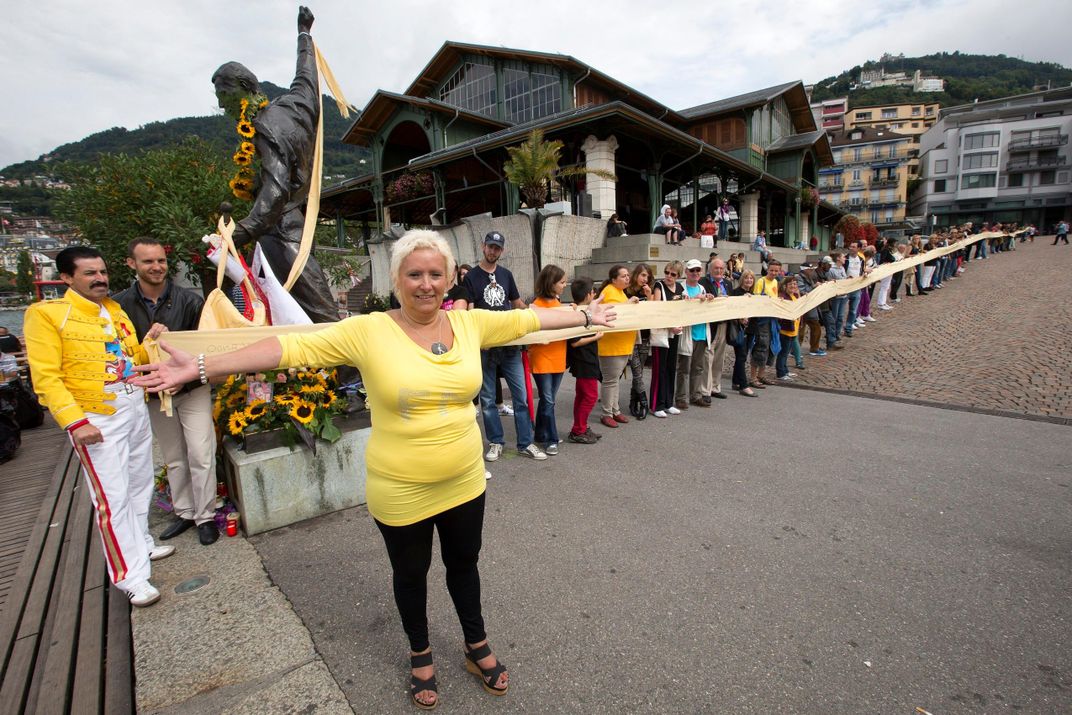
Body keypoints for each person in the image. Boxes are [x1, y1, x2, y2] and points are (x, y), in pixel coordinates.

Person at [134, 230, 616, 709]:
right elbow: (286, 348)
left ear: (449, 279)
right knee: (411, 574)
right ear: (396, 279)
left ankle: (476, 645)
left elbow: (527, 318)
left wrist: (584, 314)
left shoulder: (470, 325)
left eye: (434, 274)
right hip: (400, 487)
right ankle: (420, 655)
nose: (425, 284)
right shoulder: (368, 330)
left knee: (464, 567)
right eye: (414, 274)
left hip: (465, 481)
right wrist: (201, 367)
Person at [24, 246, 174, 608]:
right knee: (112, 496)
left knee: (139, 482)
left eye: (102, 271)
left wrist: (149, 342)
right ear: (67, 278)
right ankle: (130, 576)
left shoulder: (115, 310)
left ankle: (141, 544)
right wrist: (74, 422)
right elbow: (45, 377)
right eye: (90, 273)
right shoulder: (47, 315)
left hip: (133, 407)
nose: (100, 279)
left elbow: (128, 359)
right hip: (96, 416)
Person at [210, 7, 338, 323]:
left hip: (282, 230)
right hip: (284, 228)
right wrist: (304, 34)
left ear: (244, 87)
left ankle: (349, 372)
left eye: (223, 92)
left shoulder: (265, 126)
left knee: (320, 314)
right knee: (288, 314)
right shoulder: (293, 106)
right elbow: (307, 78)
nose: (221, 101)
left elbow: (274, 191)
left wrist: (238, 234)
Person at [113, 238, 219, 546]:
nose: (157, 266)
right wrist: (144, 345)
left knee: (201, 453)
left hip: (192, 388)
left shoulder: (190, 301)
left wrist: (181, 375)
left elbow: (204, 348)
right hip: (154, 390)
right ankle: (184, 512)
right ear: (131, 264)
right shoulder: (119, 306)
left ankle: (206, 516)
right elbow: (118, 355)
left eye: (160, 260)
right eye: (148, 261)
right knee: (174, 457)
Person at [462, 231, 545, 461]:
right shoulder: (471, 277)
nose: (492, 251)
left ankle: (525, 442)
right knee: (488, 400)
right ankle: (496, 442)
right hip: (486, 348)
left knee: (521, 397)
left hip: (510, 346)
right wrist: (477, 339)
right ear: (483, 247)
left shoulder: (507, 275)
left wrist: (538, 315)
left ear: (502, 250)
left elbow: (517, 303)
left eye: (497, 248)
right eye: (490, 247)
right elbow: (469, 311)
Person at [528, 265, 568, 455]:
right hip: (542, 358)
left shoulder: (559, 303)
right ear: (551, 284)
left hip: (559, 357)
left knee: (547, 400)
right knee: (549, 400)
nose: (564, 285)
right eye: (561, 282)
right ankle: (551, 439)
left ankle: (540, 434)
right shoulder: (535, 306)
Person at [596, 265, 639, 428]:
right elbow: (615, 313)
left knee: (615, 380)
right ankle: (607, 413)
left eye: (628, 275)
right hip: (611, 345)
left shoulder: (620, 292)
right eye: (623, 276)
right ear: (614, 279)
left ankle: (615, 410)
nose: (627, 278)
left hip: (622, 344)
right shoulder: (609, 291)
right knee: (610, 380)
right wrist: (629, 303)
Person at [566, 278, 603, 444]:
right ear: (588, 294)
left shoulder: (581, 311)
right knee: (590, 396)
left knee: (582, 396)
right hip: (584, 361)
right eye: (593, 292)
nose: (594, 295)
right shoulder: (576, 314)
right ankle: (578, 430)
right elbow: (575, 342)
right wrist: (596, 337)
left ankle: (580, 427)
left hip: (586, 360)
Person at [675, 259, 714, 409]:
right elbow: (679, 307)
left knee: (698, 368)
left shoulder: (702, 288)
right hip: (688, 333)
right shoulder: (681, 288)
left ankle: (695, 395)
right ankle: (681, 397)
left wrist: (709, 299)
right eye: (692, 270)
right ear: (686, 272)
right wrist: (693, 300)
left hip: (701, 333)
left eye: (698, 270)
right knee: (684, 368)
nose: (695, 273)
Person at [649, 261, 685, 417]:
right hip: (663, 332)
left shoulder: (681, 288)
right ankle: (657, 404)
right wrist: (670, 327)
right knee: (659, 369)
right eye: (667, 272)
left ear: (678, 276)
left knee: (671, 367)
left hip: (674, 332)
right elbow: (657, 310)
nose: (668, 276)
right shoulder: (659, 286)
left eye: (673, 274)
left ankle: (668, 402)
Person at [698, 257, 732, 403]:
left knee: (719, 358)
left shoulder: (728, 283)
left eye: (721, 268)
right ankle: (705, 390)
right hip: (710, 325)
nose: (719, 271)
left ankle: (715, 387)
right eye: (716, 268)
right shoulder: (703, 283)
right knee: (708, 357)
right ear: (710, 270)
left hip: (724, 324)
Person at [625, 264, 653, 418]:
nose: (645, 278)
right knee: (636, 371)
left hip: (645, 335)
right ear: (636, 275)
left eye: (647, 276)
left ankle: (633, 401)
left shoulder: (647, 291)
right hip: (631, 335)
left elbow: (653, 312)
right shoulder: (627, 291)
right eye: (642, 275)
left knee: (639, 371)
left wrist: (649, 297)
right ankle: (644, 402)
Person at [748, 259, 782, 388]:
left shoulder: (775, 282)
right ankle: (752, 377)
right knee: (760, 346)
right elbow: (756, 300)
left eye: (776, 271)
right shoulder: (761, 282)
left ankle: (761, 375)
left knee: (769, 347)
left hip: (772, 319)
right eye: (772, 270)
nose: (773, 273)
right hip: (762, 320)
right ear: (768, 269)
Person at [729, 271, 757, 396]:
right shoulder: (735, 293)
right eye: (746, 278)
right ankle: (744, 385)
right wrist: (740, 317)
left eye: (751, 278)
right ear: (742, 279)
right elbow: (731, 310)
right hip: (739, 330)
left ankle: (735, 381)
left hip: (750, 329)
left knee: (743, 356)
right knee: (741, 356)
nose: (749, 280)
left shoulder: (753, 295)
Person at [776, 276, 801, 380]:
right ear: (785, 286)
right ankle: (781, 373)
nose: (793, 286)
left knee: (786, 352)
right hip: (785, 330)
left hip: (793, 330)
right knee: (783, 352)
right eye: (790, 284)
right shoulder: (783, 297)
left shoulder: (795, 295)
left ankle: (785, 370)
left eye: (795, 284)